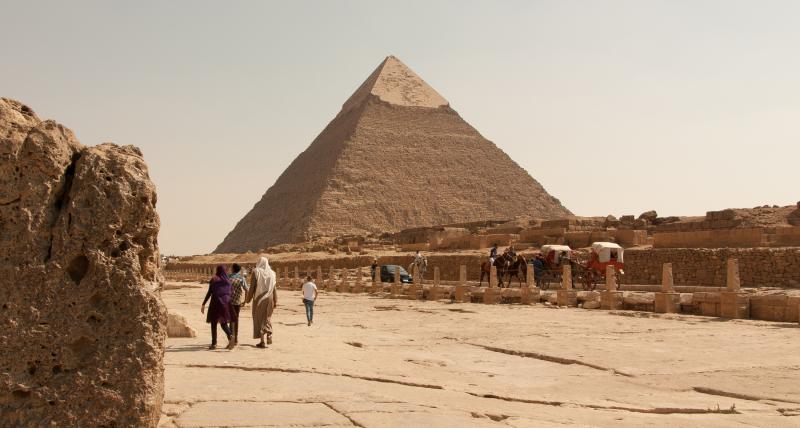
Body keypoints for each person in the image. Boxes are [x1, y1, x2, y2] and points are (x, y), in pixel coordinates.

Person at [245, 256, 277, 348]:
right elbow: (274, 288)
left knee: (259, 318)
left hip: (259, 298)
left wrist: (248, 299)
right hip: (270, 298)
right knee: (267, 317)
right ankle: (269, 334)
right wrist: (275, 300)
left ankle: (262, 341)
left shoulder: (256, 271)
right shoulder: (273, 273)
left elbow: (252, 287)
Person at [201, 265, 236, 350]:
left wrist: (203, 304)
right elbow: (232, 292)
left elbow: (209, 292)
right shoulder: (228, 280)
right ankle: (230, 336)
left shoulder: (214, 279)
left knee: (214, 322)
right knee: (223, 322)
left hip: (216, 303)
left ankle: (214, 343)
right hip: (226, 303)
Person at [228, 263, 249, 347]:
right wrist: (245, 300)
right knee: (236, 320)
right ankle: (235, 339)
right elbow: (246, 289)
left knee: (230, 320)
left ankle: (230, 338)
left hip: (229, 302)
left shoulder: (228, 277)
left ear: (233, 269)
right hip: (237, 302)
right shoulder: (241, 278)